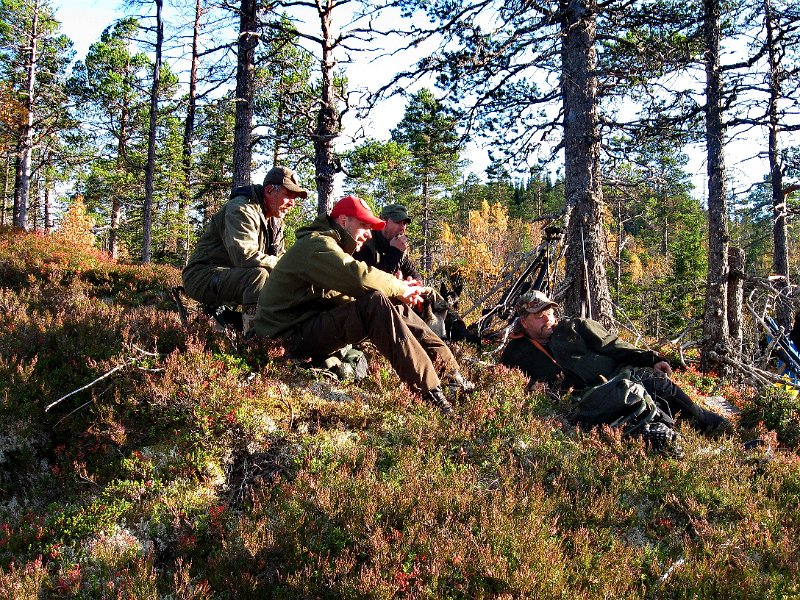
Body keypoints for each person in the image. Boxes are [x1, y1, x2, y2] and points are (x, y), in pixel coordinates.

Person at [255, 194, 472, 414]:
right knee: (376, 303)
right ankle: (432, 396)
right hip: (284, 339)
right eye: (363, 225)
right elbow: (358, 277)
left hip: (304, 327)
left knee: (388, 301)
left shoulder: (332, 246)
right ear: (343, 221)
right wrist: (401, 288)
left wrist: (400, 292)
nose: (368, 233)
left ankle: (453, 376)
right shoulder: (316, 245)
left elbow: (348, 292)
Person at [500, 290, 731, 434]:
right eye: (539, 315)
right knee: (636, 416)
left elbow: (613, 345)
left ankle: (706, 421)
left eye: (549, 312)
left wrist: (651, 359)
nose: (548, 319)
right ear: (524, 321)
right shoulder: (515, 353)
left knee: (658, 385)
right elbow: (514, 387)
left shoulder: (576, 326)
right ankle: (669, 434)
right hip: (584, 404)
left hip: (620, 377)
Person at [181, 166, 309, 334]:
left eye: (295, 198)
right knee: (258, 276)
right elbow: (245, 257)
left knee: (285, 280)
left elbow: (280, 257)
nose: (292, 203)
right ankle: (254, 339)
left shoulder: (275, 220)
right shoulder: (241, 209)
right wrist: (286, 267)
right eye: (288, 195)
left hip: (230, 275)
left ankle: (280, 331)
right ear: (269, 190)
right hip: (203, 275)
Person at [352, 203, 420, 281]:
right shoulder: (366, 244)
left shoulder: (398, 246)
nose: (402, 228)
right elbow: (373, 281)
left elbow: (415, 275)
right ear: (384, 222)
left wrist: (413, 282)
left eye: (404, 223)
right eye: (398, 222)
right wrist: (395, 252)